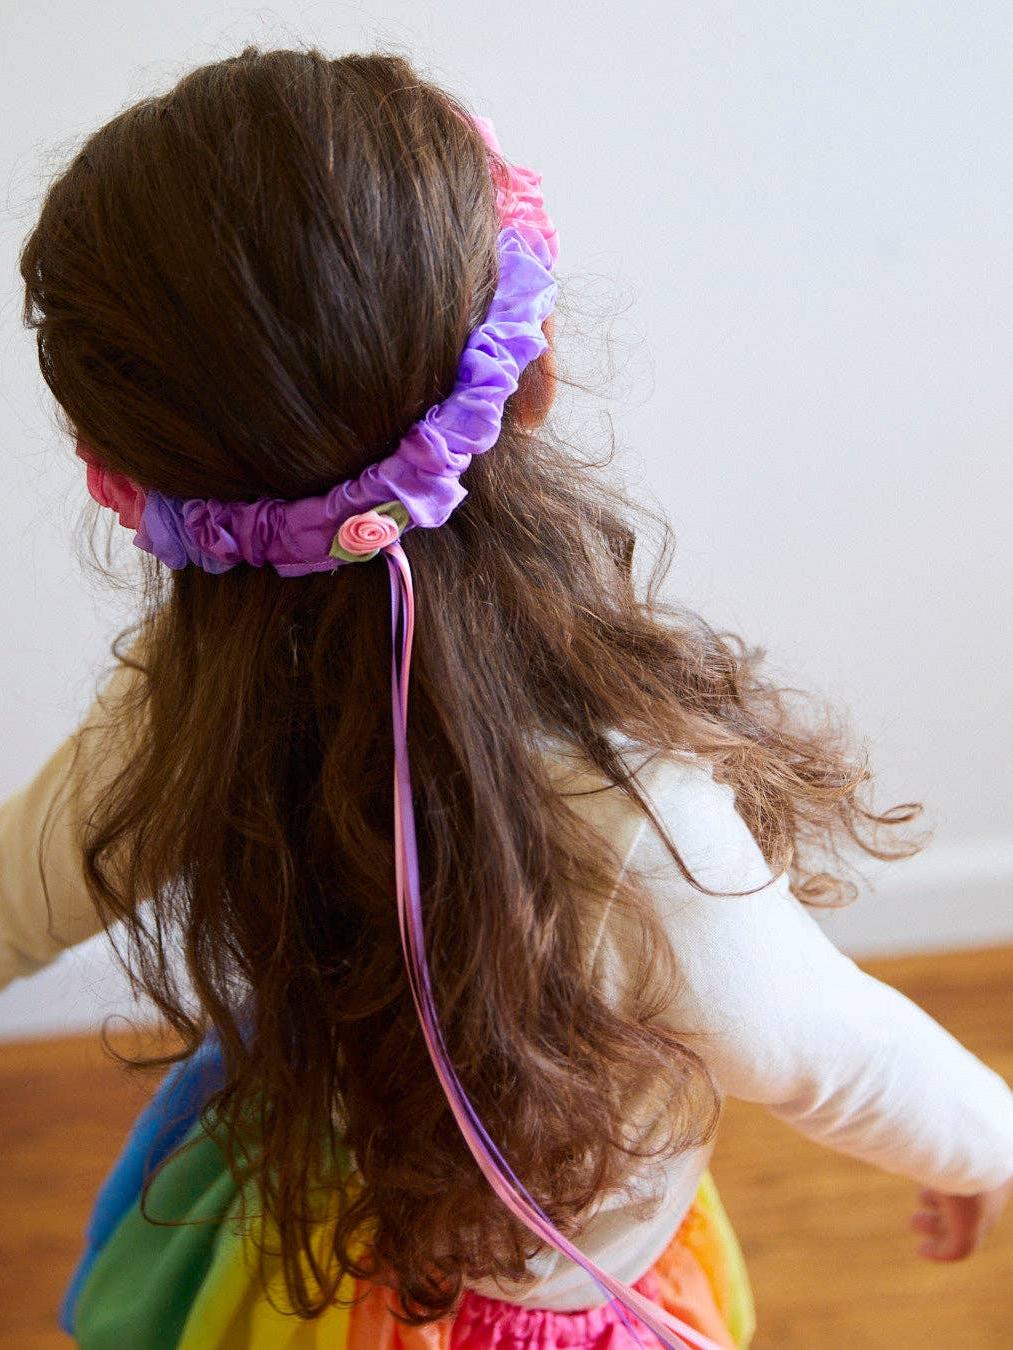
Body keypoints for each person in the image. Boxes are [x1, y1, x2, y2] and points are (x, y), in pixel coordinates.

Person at [4, 45, 1011, 1350]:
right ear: (527, 372)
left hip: (278, 1252)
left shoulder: (178, 701)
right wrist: (985, 1138)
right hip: (521, 1298)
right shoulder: (632, 807)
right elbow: (833, 1050)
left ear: (131, 490)